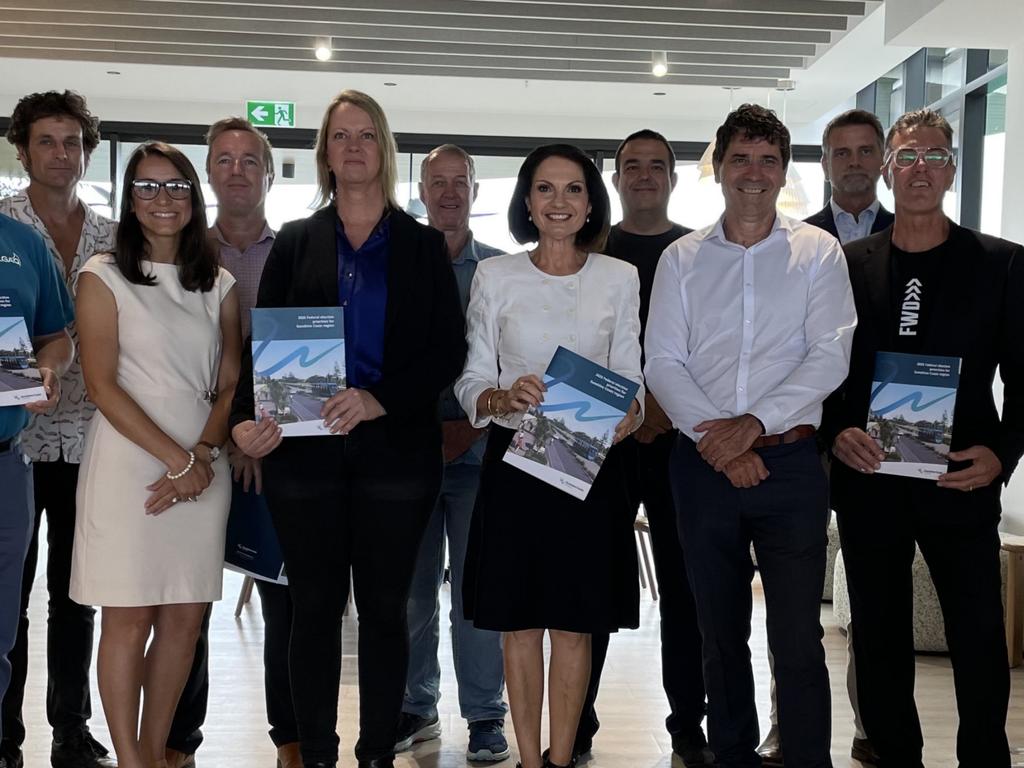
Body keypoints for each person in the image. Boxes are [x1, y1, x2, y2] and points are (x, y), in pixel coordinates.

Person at [228, 89, 466, 768]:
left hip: (396, 460)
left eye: (366, 135)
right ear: (325, 153)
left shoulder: (421, 246)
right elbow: (261, 344)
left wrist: (378, 400)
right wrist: (249, 421)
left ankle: (375, 756)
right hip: (304, 464)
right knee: (314, 612)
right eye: (340, 136)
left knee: (388, 616)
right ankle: (320, 756)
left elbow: (446, 352)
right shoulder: (297, 241)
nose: (353, 147)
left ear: (383, 150)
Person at [645, 104, 857, 768]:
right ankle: (731, 756)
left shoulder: (818, 254)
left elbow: (829, 355)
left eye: (769, 160)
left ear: (784, 171)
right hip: (702, 467)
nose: (755, 172)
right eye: (741, 157)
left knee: (796, 639)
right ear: (720, 167)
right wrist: (722, 443)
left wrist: (753, 426)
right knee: (719, 635)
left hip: (792, 465)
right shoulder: (681, 259)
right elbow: (663, 362)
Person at [825, 108, 1022, 768]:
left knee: (977, 632)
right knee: (878, 634)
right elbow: (819, 374)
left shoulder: (1001, 264)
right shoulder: (844, 264)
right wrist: (834, 434)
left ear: (951, 170)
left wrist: (1002, 453)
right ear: (887, 169)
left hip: (959, 476)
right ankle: (894, 755)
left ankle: (985, 758)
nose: (920, 170)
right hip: (869, 475)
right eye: (907, 157)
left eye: (935, 157)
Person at [455, 143, 644, 768]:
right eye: (544, 189)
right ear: (527, 203)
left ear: (591, 202)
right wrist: (501, 395)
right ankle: (529, 761)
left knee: (574, 623)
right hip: (515, 465)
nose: (558, 202)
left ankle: (562, 760)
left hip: (589, 465)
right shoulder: (496, 276)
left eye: (572, 190)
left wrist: (627, 416)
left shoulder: (620, 277)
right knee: (519, 624)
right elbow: (471, 376)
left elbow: (632, 380)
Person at [70, 141, 241, 768]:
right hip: (131, 465)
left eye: (175, 187)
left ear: (194, 198)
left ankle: (154, 750)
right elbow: (100, 384)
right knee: (130, 615)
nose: (162, 199)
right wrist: (178, 462)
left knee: (183, 620)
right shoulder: (102, 274)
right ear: (129, 199)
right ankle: (131, 759)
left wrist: (200, 455)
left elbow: (230, 381)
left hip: (203, 464)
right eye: (147, 187)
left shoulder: (217, 282)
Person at [572, 129, 711, 767]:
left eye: (658, 166)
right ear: (618, 177)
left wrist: (663, 408)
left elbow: (708, 346)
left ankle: (688, 724)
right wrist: (631, 409)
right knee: (592, 580)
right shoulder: (589, 249)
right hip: (603, 438)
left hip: (681, 441)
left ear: (672, 179)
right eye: (634, 166)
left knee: (685, 588)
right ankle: (577, 724)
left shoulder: (699, 252)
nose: (646, 176)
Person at [758, 107, 891, 768]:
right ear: (825, 164)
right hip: (804, 442)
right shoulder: (790, 242)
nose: (855, 162)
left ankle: (875, 726)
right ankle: (789, 730)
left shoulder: (918, 235)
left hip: (884, 449)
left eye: (867, 150)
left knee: (869, 598)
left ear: (884, 158)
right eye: (841, 152)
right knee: (792, 609)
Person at [165, 118, 300, 768]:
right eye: (225, 160)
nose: (238, 170)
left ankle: (291, 742)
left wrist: (256, 437)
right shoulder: (177, 254)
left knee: (286, 606)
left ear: (271, 175)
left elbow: (305, 360)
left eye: (252, 160)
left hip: (276, 453)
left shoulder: (297, 252)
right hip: (190, 448)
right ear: (209, 173)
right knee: (186, 606)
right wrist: (225, 438)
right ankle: (177, 743)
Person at [0, 90, 117, 768]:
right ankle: (4, 734)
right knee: (6, 595)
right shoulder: (6, 228)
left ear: (85, 152)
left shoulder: (110, 236)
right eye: (46, 140)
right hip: (16, 439)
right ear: (22, 149)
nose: (59, 153)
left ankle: (70, 730)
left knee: (77, 595)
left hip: (90, 438)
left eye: (71, 141)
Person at [395, 144, 508, 762]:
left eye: (458, 182)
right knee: (411, 592)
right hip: (408, 457)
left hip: (479, 454)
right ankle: (417, 707)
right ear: (420, 188)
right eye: (435, 182)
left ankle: (486, 715)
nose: (447, 193)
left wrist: (469, 428)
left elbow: (507, 361)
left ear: (473, 190)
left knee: (475, 593)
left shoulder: (497, 271)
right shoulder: (399, 263)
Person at [0, 212, 74, 768]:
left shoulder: (22, 242)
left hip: (7, 465)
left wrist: (47, 369)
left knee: (0, 632)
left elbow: (55, 336)